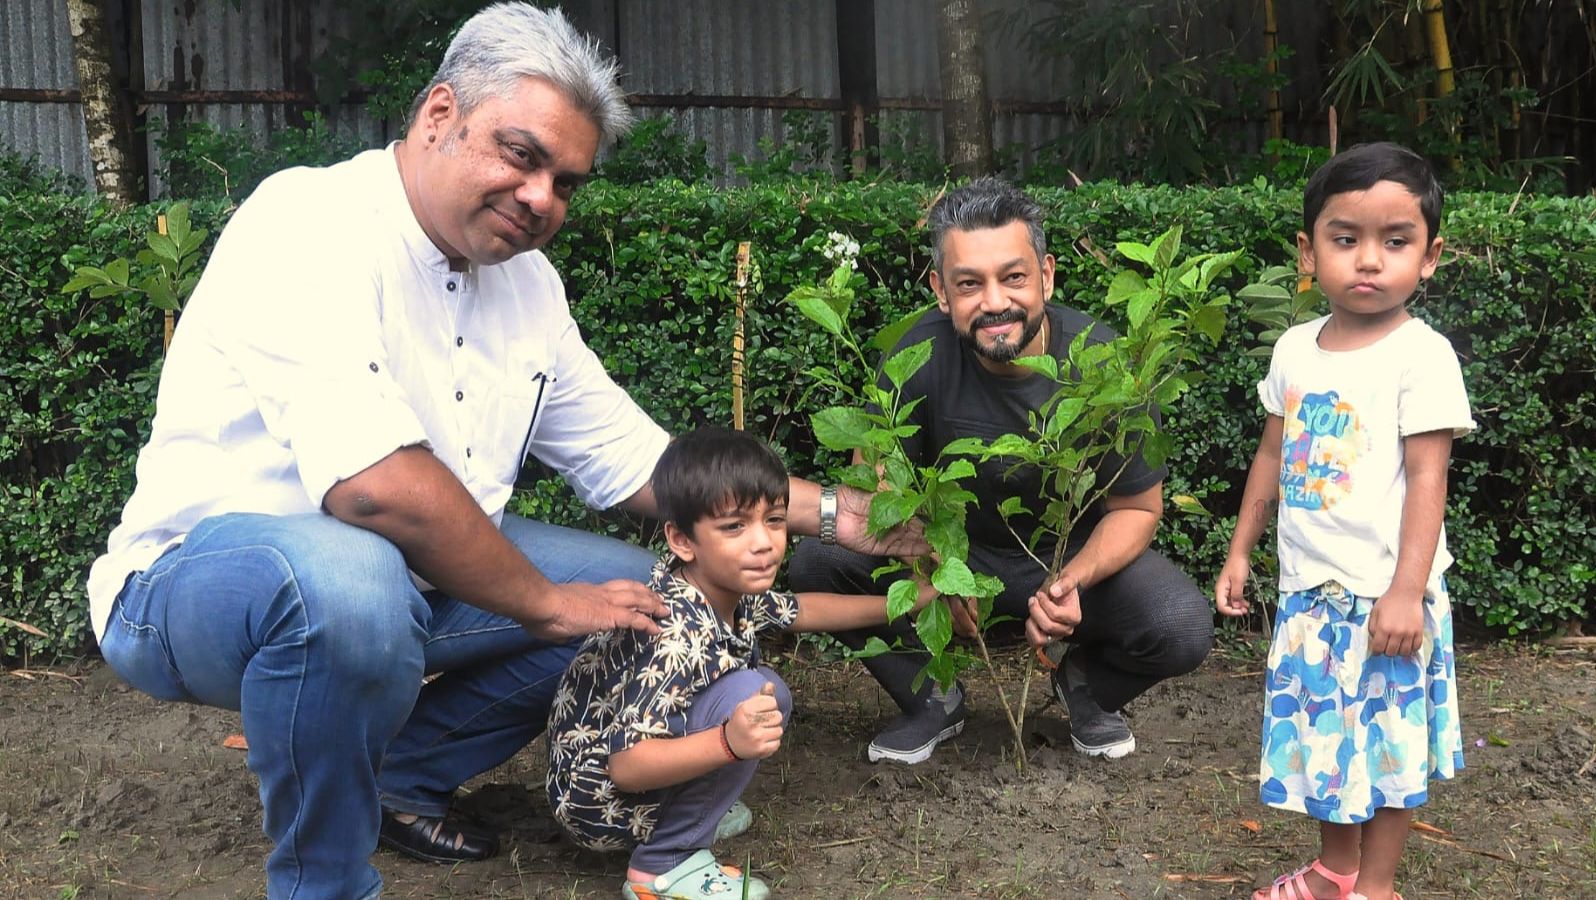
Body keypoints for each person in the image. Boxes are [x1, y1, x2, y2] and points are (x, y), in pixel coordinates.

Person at [85, 6, 912, 898]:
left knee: (641, 599)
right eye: (522, 156)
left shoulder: (527, 286)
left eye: (566, 182)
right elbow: (375, 490)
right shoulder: (309, 221)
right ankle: (322, 882)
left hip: (401, 577)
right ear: (439, 114)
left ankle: (402, 774)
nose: (542, 198)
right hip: (190, 591)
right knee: (353, 583)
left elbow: (639, 463)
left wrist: (840, 514)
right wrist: (543, 602)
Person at [789, 177, 1214, 765]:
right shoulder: (916, 354)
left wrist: (1072, 582)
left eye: (1013, 277)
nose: (993, 302)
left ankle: (1087, 686)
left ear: (1047, 275)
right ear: (942, 291)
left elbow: (1138, 509)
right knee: (817, 560)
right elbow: (876, 491)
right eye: (969, 283)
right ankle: (931, 696)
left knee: (1180, 623)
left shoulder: (1108, 368)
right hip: (958, 553)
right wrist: (938, 574)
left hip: (1067, 558)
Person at [1214, 142, 1474, 900]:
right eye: (1345, 238)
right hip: (1310, 595)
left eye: (1395, 242)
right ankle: (1335, 870)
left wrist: (1406, 591)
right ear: (1308, 249)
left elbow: (1429, 478)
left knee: (1389, 750)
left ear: (1429, 258)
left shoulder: (1422, 356)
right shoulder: (1295, 350)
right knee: (1327, 746)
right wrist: (1240, 553)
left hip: (1386, 599)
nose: (1369, 260)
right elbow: (1271, 457)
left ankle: (1376, 888)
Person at [546, 428, 930, 900]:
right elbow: (626, 766)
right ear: (682, 539)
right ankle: (663, 866)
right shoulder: (675, 630)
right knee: (757, 694)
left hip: (601, 776)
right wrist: (727, 743)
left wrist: (906, 602)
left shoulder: (718, 586)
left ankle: (693, 803)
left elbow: (804, 610)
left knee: (755, 688)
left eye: (774, 520)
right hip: (599, 799)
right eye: (734, 527)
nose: (764, 543)